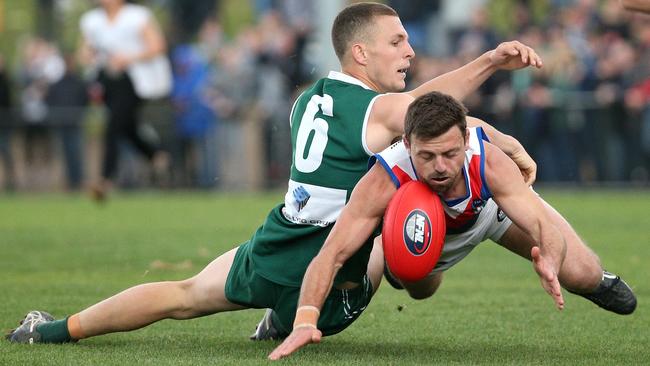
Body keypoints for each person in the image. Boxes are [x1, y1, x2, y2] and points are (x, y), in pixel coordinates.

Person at [7, 2, 541, 348]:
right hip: (329, 281)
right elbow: (433, 109)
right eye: (397, 41)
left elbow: (424, 116)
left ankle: (52, 331)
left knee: (182, 294)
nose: (409, 50)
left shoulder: (308, 99)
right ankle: (287, 320)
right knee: (394, 233)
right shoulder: (377, 111)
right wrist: (491, 62)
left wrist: (494, 134)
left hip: (277, 243)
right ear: (360, 51)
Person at [268, 91, 637, 360]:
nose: (441, 166)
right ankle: (378, 259)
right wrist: (304, 320)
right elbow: (330, 254)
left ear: (465, 140)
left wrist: (551, 259)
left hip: (491, 212)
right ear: (407, 143)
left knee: (581, 272)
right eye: (427, 156)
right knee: (418, 285)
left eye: (450, 153)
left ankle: (597, 280)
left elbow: (542, 224)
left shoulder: (488, 159)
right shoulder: (384, 177)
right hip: (422, 230)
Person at [78, 0, 172, 201]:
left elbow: (157, 46)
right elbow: (84, 51)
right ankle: (156, 154)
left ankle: (104, 179)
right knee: (125, 126)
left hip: (135, 81)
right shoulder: (92, 21)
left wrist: (128, 58)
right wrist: (88, 55)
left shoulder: (137, 16)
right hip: (108, 81)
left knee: (113, 124)